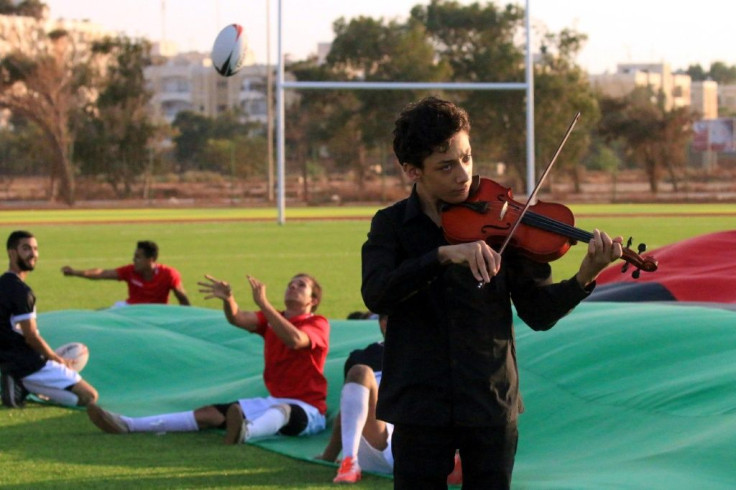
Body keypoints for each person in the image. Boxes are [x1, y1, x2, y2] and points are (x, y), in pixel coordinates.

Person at [361, 97, 623, 489]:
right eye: (446, 166)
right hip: (420, 403)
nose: (463, 174)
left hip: (489, 398)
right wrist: (442, 256)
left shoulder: (506, 222)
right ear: (412, 170)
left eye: (466, 157)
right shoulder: (391, 225)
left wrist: (584, 276)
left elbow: (538, 312)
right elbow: (377, 293)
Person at [86, 273, 330, 446]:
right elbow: (238, 319)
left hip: (307, 409)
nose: (293, 287)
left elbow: (296, 340)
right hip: (272, 400)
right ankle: (128, 424)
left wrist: (264, 304)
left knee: (282, 411)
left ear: (313, 300)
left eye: (301, 285)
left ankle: (246, 433)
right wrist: (229, 300)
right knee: (209, 414)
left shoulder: (317, 323)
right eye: (290, 283)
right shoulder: (272, 318)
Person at [316, 314, 462, 485]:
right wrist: (330, 455)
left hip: (414, 445)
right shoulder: (361, 356)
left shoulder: (429, 354)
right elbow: (348, 411)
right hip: (375, 441)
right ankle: (350, 463)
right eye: (385, 317)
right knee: (360, 372)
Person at [1, 230, 99, 408]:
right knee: (89, 397)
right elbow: (31, 336)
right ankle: (20, 384)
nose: (33, 254)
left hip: (9, 362)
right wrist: (56, 358)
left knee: (73, 400)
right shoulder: (22, 291)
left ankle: (21, 386)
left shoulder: (2, 284)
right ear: (11, 252)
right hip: (31, 362)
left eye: (35, 249)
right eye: (26, 248)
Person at [61, 240, 190, 306]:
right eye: (134, 256)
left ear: (150, 260)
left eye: (138, 257)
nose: (134, 260)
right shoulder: (130, 271)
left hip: (155, 313)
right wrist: (74, 272)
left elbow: (182, 297)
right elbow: (102, 273)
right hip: (131, 308)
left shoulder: (169, 274)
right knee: (100, 315)